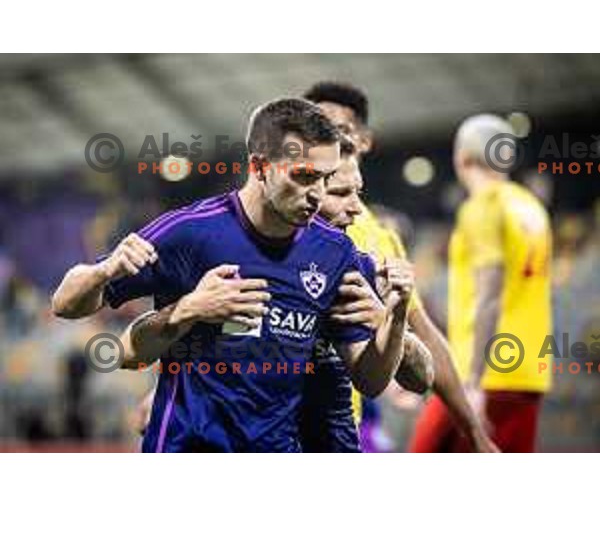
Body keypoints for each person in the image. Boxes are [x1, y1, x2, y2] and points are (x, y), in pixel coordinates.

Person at [52, 97, 412, 452]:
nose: (316, 193)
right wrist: (106, 271)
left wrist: (395, 318)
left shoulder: (335, 253)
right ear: (259, 168)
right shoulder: (192, 232)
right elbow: (66, 304)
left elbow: (370, 380)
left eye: (325, 178)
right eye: (304, 176)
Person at [303, 81, 497, 452]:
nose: (327, 142)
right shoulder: (280, 228)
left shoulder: (379, 238)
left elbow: (422, 334)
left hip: (344, 428)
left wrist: (472, 429)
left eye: (338, 130)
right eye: (317, 130)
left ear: (363, 141)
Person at [409, 114, 552, 452]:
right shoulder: (531, 207)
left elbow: (490, 293)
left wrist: (472, 382)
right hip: (529, 371)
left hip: (484, 372)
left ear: (462, 158)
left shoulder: (482, 207)